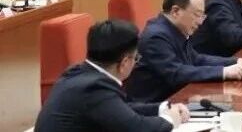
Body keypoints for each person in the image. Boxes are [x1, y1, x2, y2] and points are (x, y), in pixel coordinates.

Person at [35, 19, 189, 131]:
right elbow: (137, 128)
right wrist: (170, 119)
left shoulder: (78, 73)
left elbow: (119, 109)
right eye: (136, 58)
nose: (136, 63)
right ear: (124, 63)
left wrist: (162, 108)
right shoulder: (94, 88)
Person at [126, 0, 242, 102]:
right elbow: (177, 73)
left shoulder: (174, 29)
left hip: (178, 100)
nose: (200, 22)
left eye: (202, 16)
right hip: (154, 108)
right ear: (175, 11)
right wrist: (224, 72)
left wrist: (235, 62)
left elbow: (196, 59)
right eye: (197, 15)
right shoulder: (156, 36)